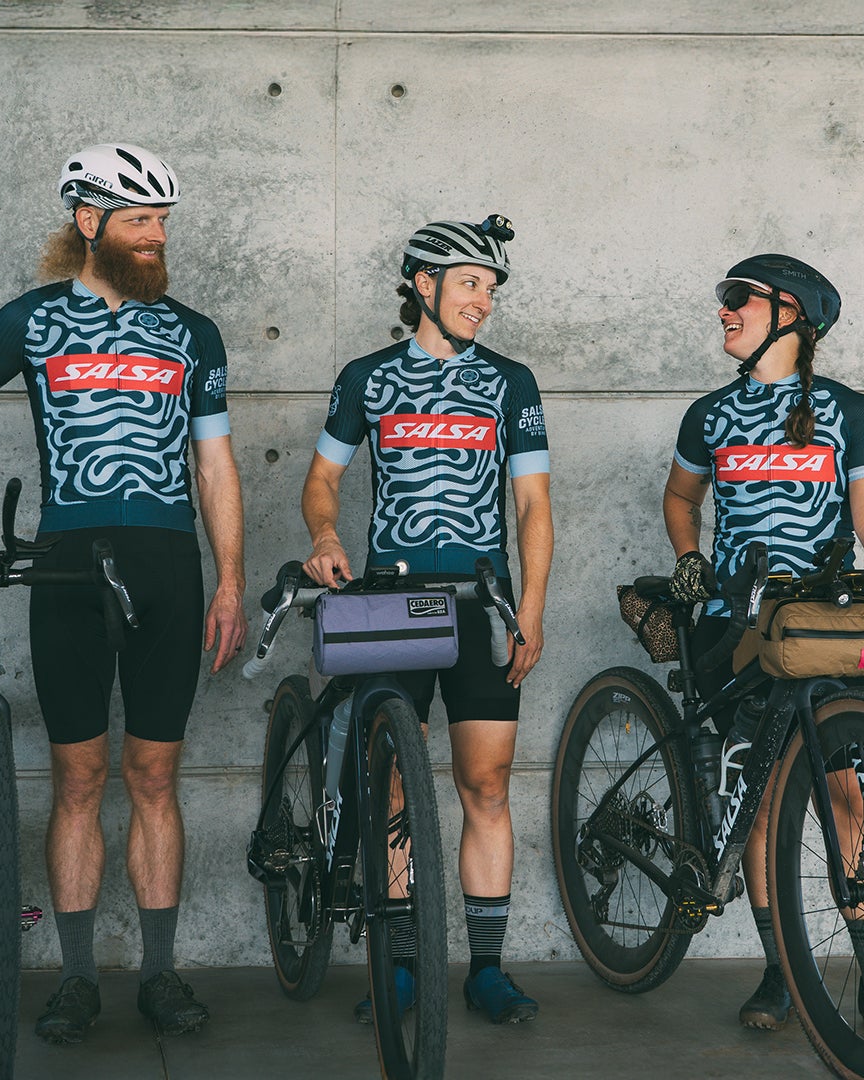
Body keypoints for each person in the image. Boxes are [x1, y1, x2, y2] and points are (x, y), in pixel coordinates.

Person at [0, 142, 246, 1043]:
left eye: (162, 224)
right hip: (67, 565)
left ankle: (158, 972)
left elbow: (215, 463)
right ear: (88, 222)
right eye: (141, 221)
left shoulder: (192, 332)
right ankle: (73, 978)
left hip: (167, 566)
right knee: (77, 777)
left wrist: (229, 578)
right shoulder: (31, 321)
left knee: (154, 774)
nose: (157, 238)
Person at [660, 254, 864, 1037]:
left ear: (791, 315)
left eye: (736, 299)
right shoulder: (709, 415)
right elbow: (682, 497)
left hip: (823, 627)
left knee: (848, 791)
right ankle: (783, 973)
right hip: (738, 629)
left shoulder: (851, 411)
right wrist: (689, 559)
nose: (722, 311)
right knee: (764, 798)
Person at [300, 215, 553, 1025]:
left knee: (485, 785)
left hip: (483, 603)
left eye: (491, 288)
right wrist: (325, 532)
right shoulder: (369, 378)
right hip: (393, 602)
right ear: (423, 286)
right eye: (471, 283)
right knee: (397, 788)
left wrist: (532, 611)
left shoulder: (510, 383)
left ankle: (485, 968)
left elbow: (533, 507)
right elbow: (321, 479)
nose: (484, 301)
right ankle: (403, 968)